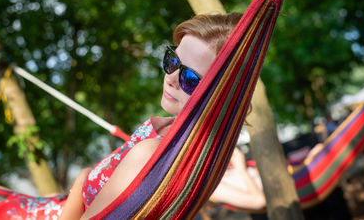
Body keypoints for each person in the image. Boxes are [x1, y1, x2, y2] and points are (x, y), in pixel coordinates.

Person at [59, 13, 245, 219]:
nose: (171, 78)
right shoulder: (168, 130)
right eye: (172, 61)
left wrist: (80, 183)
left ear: (219, 96)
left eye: (190, 78)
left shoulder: (153, 153)